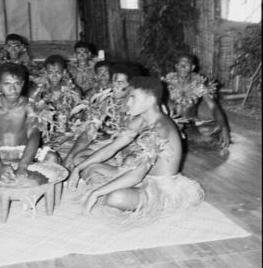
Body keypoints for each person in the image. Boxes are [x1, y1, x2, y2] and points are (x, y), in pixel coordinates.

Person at [67, 76, 204, 224]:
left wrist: (97, 192)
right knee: (91, 168)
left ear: (150, 100)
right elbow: (112, 148)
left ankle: (148, 203)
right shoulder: (142, 120)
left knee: (115, 197)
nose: (128, 102)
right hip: (138, 175)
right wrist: (77, 168)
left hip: (159, 187)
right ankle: (115, 191)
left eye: (133, 97)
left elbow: (136, 176)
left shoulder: (161, 129)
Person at [0, 63, 59, 214]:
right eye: (7, 84)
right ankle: (0, 187)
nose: (12, 89)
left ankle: (36, 193)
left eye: (17, 84)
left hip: (25, 152)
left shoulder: (30, 106)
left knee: (53, 158)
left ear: (23, 84)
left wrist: (24, 165)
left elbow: (34, 135)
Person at [64, 63, 134, 169]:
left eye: (120, 82)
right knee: (78, 159)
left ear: (131, 85)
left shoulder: (138, 104)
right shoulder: (105, 101)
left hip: (130, 147)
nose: (114, 86)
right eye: (113, 81)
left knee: (129, 162)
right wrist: (70, 155)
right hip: (109, 145)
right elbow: (89, 133)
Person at [162, 53, 231, 153]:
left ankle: (184, 139)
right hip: (171, 124)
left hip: (190, 124)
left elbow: (213, 107)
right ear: (176, 66)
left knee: (218, 126)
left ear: (192, 67)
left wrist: (224, 127)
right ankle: (180, 139)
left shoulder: (199, 84)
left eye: (187, 65)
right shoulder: (166, 83)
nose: (183, 67)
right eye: (180, 64)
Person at [29, 54, 82, 142]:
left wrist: (68, 131)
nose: (54, 77)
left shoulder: (74, 91)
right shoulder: (35, 91)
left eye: (58, 73)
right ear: (46, 72)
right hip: (42, 133)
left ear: (64, 72)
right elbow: (29, 116)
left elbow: (79, 116)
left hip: (68, 133)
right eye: (50, 73)